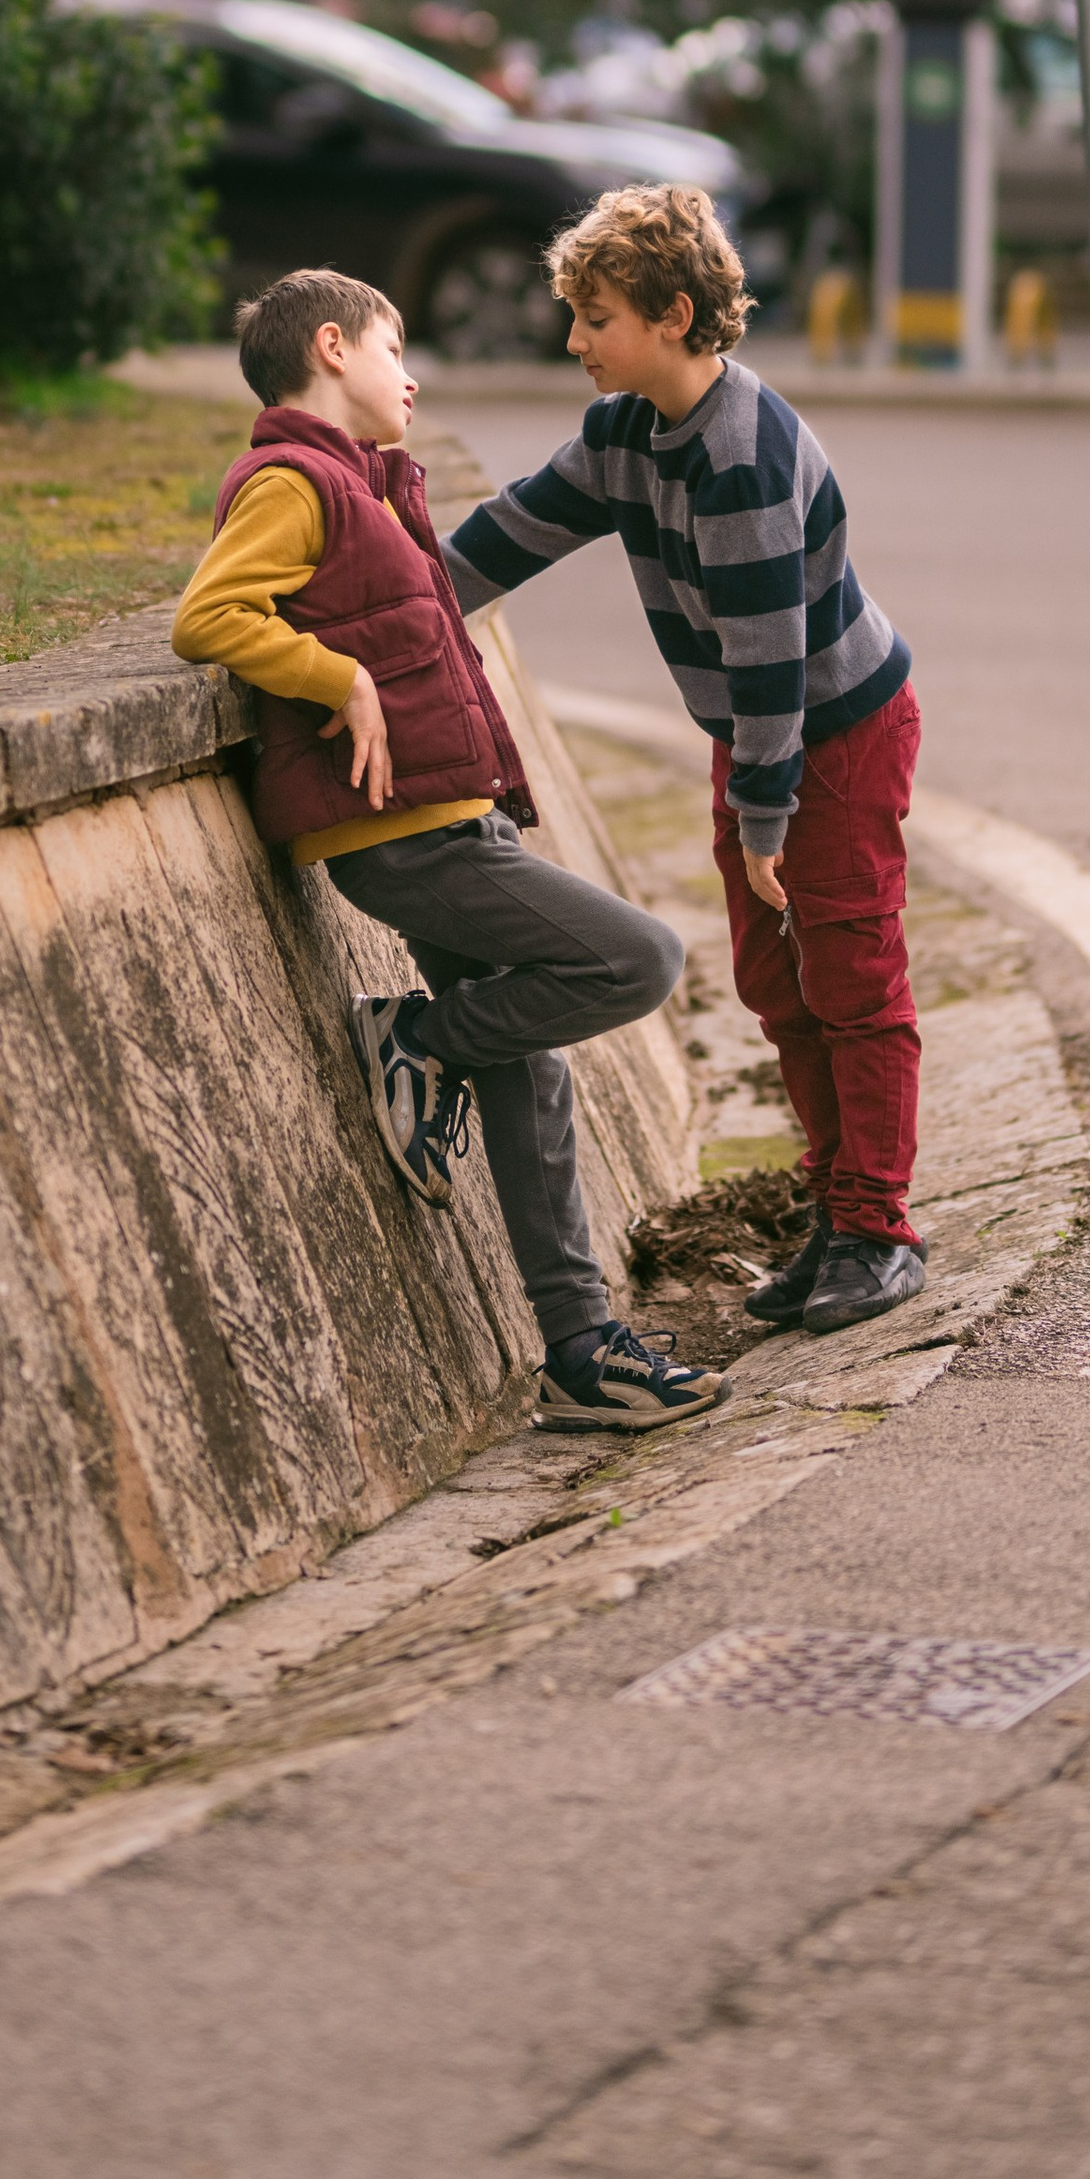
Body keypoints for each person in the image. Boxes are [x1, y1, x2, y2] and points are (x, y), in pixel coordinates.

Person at [171, 267, 723, 1432]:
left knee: (531, 1068)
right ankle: (412, 1036)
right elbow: (208, 615)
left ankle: (576, 1351)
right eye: (392, 348)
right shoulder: (291, 482)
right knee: (636, 962)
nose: (409, 375)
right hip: (409, 842)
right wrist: (340, 678)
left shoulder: (366, 486)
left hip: (446, 821)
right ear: (330, 349)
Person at [442, 184, 927, 1335]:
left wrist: (765, 818)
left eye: (593, 316)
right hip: (754, 745)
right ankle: (831, 1214)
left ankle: (879, 1228)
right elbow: (502, 539)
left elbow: (773, 669)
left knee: (850, 980)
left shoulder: (742, 461)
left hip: (831, 738)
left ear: (670, 314)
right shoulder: (624, 435)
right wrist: (385, 613)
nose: (573, 341)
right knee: (774, 984)